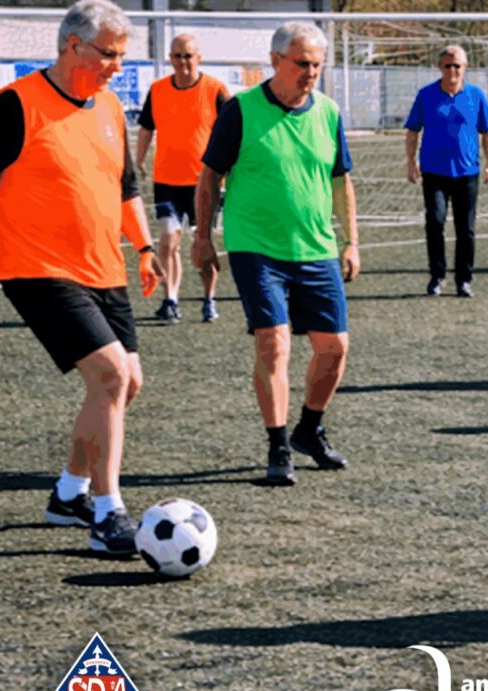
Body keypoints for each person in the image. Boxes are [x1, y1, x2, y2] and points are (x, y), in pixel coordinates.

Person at [0, 0, 163, 556]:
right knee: (111, 375)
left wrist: (144, 247)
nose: (117, 66)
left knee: (126, 383)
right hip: (38, 269)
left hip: (104, 268)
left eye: (122, 56)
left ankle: (69, 494)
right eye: (109, 54)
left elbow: (125, 188)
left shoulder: (109, 107)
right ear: (72, 46)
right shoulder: (17, 104)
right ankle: (108, 513)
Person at [193, 21, 359, 486]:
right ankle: (278, 444)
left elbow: (341, 181)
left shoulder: (328, 112)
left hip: (316, 247)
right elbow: (209, 177)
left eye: (317, 65)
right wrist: (203, 237)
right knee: (275, 342)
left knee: (334, 347)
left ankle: (309, 429)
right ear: (275, 61)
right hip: (256, 247)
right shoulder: (241, 110)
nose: (311, 73)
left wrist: (351, 240)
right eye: (302, 63)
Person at [135, 33, 230, 323]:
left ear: (198, 58)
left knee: (203, 245)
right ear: (170, 59)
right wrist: (138, 160)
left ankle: (209, 299)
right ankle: (171, 300)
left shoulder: (215, 90)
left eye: (188, 56)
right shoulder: (158, 90)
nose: (182, 62)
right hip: (166, 181)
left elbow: (233, 131)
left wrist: (230, 168)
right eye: (177, 56)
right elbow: (146, 128)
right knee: (167, 240)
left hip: (205, 184)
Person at [404, 45, 488, 298]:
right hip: (434, 173)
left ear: (465, 67)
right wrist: (411, 163)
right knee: (435, 222)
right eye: (448, 65)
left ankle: (464, 280)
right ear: (440, 67)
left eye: (458, 65)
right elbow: (412, 131)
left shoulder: (475, 96)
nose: (453, 70)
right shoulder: (426, 95)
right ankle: (437, 275)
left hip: (467, 173)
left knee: (466, 228)